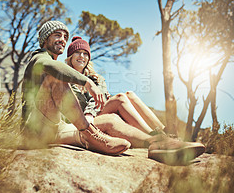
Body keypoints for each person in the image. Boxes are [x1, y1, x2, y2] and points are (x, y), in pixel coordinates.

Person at [61, 36, 206, 165]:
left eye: (85, 54)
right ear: (70, 57)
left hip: (96, 113)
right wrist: (89, 115)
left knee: (129, 94)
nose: (82, 56)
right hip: (84, 120)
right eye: (78, 53)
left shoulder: (96, 79)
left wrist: (97, 102)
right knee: (120, 98)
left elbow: (100, 98)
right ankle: (157, 140)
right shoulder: (63, 79)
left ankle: (165, 135)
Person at [21, 21, 131, 155]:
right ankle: (91, 134)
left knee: (107, 123)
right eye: (57, 35)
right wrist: (88, 83)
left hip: (53, 130)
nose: (62, 40)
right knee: (55, 78)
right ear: (45, 38)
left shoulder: (53, 62)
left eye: (65, 37)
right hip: (35, 130)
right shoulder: (39, 57)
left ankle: (151, 140)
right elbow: (51, 67)